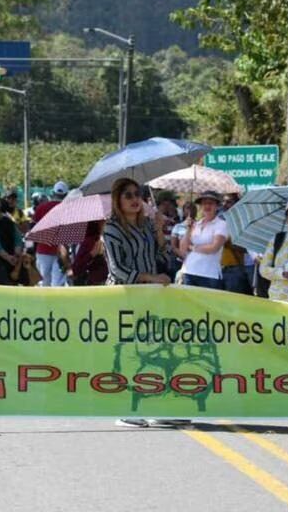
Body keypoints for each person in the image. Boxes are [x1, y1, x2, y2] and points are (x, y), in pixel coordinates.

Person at [103, 178, 170, 428]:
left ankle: (154, 404)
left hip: (151, 295)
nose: (134, 199)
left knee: (155, 349)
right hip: (124, 296)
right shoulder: (111, 229)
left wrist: (160, 231)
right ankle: (126, 407)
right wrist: (150, 277)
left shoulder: (147, 226)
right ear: (118, 201)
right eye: (128, 195)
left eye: (137, 194)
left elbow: (162, 259)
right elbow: (118, 270)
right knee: (129, 351)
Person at [180, 191, 228, 289]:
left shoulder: (221, 224)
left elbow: (214, 247)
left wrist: (193, 247)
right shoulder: (195, 224)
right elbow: (183, 248)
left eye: (210, 203)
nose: (207, 206)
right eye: (204, 203)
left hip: (209, 274)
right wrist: (188, 229)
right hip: (189, 270)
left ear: (217, 206)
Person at [32, 181, 70, 287]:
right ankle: (56, 303)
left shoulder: (41, 208)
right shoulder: (69, 210)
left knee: (44, 282)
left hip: (43, 250)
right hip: (62, 251)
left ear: (53, 193)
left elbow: (33, 230)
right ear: (66, 195)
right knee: (57, 284)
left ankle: (43, 303)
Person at [220, 193, 252, 295]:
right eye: (223, 201)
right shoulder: (219, 220)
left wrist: (229, 244)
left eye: (229, 202)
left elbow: (248, 247)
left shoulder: (242, 222)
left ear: (237, 204)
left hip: (235, 269)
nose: (225, 204)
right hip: (218, 268)